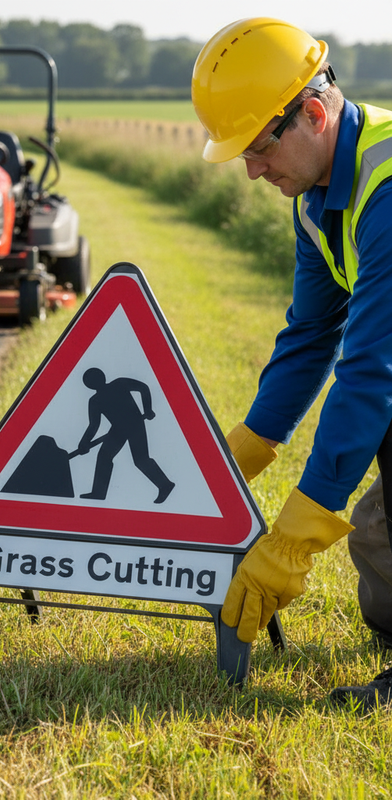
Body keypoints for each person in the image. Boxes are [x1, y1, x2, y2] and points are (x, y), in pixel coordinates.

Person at [191, 16, 392, 708]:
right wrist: (242, 453)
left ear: (312, 113)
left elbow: (372, 374)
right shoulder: (314, 200)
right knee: (382, 579)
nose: (250, 170)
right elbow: (312, 334)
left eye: (256, 148)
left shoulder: (389, 188)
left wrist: (297, 536)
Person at [76, 368, 174, 503]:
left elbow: (143, 388)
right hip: (118, 430)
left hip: (135, 424)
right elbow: (94, 425)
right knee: (104, 457)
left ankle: (165, 485)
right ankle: (98, 493)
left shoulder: (118, 384)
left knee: (141, 459)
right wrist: (84, 442)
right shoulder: (95, 400)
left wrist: (148, 409)